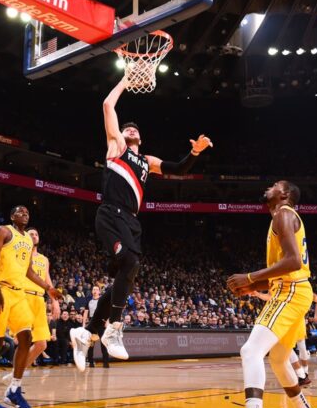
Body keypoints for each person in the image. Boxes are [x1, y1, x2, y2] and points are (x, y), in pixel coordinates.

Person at [70, 78, 213, 370]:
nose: (130, 129)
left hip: (131, 221)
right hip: (111, 213)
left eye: (135, 129)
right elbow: (107, 104)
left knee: (128, 271)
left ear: (141, 138)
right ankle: (113, 327)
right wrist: (127, 79)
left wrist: (196, 152)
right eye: (127, 128)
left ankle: (88, 332)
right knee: (130, 262)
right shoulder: (117, 146)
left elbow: (178, 169)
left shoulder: (147, 161)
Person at [227, 181, 314, 408]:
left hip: (290, 291)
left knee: (250, 351)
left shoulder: (283, 214)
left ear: (284, 194)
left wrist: (250, 277)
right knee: (278, 359)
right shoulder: (283, 216)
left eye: (275, 185)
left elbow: (293, 262)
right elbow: (288, 269)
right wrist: (254, 286)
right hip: (294, 290)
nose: (269, 187)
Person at [0, 205, 62, 408]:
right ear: (12, 216)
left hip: (18, 294)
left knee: (26, 338)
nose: (24, 214)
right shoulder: (3, 231)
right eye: (20, 212)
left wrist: (48, 288)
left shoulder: (28, 240)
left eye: (27, 213)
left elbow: (29, 271)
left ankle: (14, 389)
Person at [249, 290, 311, 386]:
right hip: (284, 318)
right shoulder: (276, 286)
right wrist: (258, 294)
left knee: (301, 348)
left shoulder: (297, 287)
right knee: (288, 348)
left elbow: (311, 297)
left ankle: (304, 373)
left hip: (296, 317)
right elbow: (270, 297)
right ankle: (302, 375)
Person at [22, 227, 60, 370]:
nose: (34, 236)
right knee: (23, 340)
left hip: (39, 300)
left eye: (36, 234)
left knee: (42, 344)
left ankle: (16, 373)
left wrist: (55, 302)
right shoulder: (21, 254)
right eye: (31, 234)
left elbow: (48, 282)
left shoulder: (44, 259)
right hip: (24, 297)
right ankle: (16, 376)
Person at [84, 285, 109, 368]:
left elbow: (108, 311)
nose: (95, 291)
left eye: (96, 289)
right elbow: (85, 313)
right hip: (92, 323)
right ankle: (91, 363)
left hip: (101, 322)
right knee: (90, 344)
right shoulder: (89, 301)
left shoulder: (102, 300)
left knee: (103, 343)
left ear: (99, 292)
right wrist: (83, 324)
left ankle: (106, 363)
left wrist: (107, 321)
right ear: (92, 291)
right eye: (93, 289)